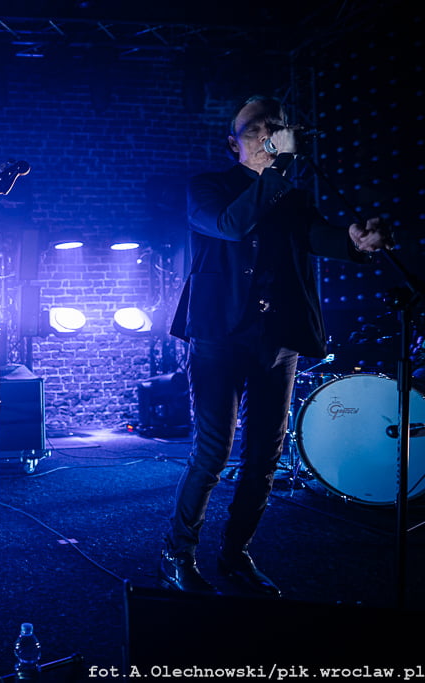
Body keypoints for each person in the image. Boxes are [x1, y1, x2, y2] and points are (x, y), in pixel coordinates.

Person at [161, 95, 392, 596]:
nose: (268, 133)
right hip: (218, 335)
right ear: (233, 143)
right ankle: (178, 552)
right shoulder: (208, 188)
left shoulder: (291, 194)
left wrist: (355, 241)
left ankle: (235, 553)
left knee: (264, 457)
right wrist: (278, 168)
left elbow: (317, 236)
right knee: (213, 453)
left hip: (278, 339)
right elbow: (231, 225)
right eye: (256, 128)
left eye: (276, 126)